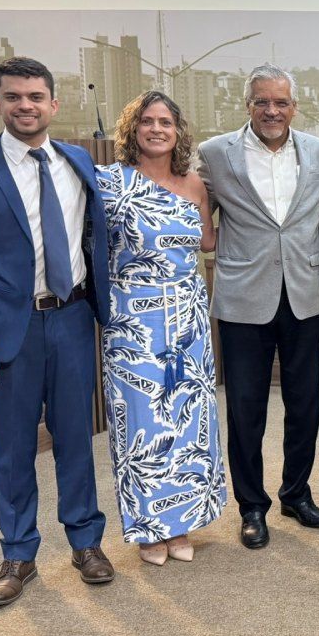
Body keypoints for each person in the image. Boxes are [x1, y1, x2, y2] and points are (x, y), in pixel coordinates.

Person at [0, 56, 115, 607]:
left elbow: (96, 236)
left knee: (76, 441)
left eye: (36, 96)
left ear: (53, 104)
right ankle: (19, 553)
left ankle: (85, 542)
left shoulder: (77, 160)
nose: (26, 105)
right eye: (14, 96)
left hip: (72, 319)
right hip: (7, 333)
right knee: (14, 449)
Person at [197, 64, 319, 549]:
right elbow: (197, 216)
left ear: (294, 107)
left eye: (281, 102)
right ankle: (252, 506)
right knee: (246, 409)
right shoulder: (216, 154)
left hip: (304, 294)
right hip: (242, 300)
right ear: (248, 105)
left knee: (305, 406)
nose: (272, 110)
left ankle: (296, 493)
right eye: (262, 102)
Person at [97, 91, 226, 566]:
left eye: (165, 122)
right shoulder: (109, 182)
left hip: (188, 316)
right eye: (147, 121)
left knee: (189, 421)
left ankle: (183, 523)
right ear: (132, 130)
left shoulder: (194, 185)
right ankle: (150, 529)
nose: (156, 129)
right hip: (133, 318)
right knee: (142, 423)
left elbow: (206, 243)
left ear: (178, 131)